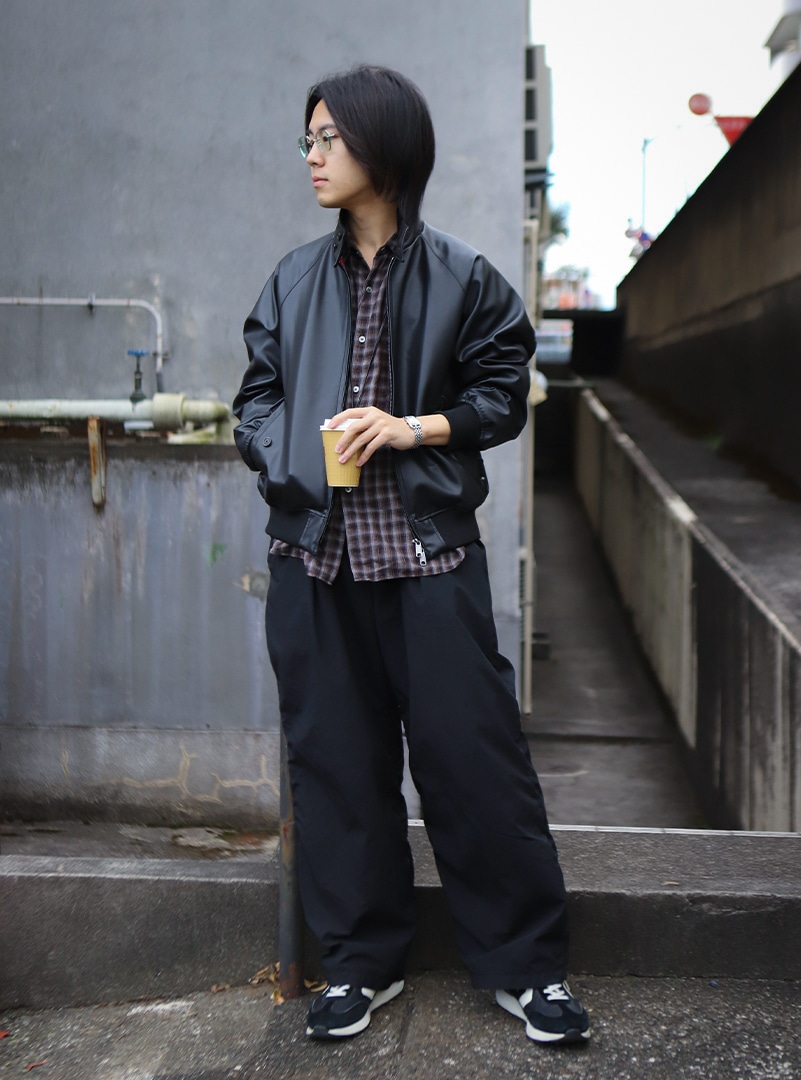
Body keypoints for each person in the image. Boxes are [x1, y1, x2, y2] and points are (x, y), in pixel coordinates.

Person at [233, 64, 590, 1046]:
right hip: (316, 562)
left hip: (428, 558)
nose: (311, 157)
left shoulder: (464, 277)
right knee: (338, 769)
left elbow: (501, 395)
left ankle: (528, 969)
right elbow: (255, 401)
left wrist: (409, 428)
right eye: (306, 140)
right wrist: (289, 456)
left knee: (474, 763)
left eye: (328, 139)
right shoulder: (291, 280)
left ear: (382, 147)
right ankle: (358, 965)